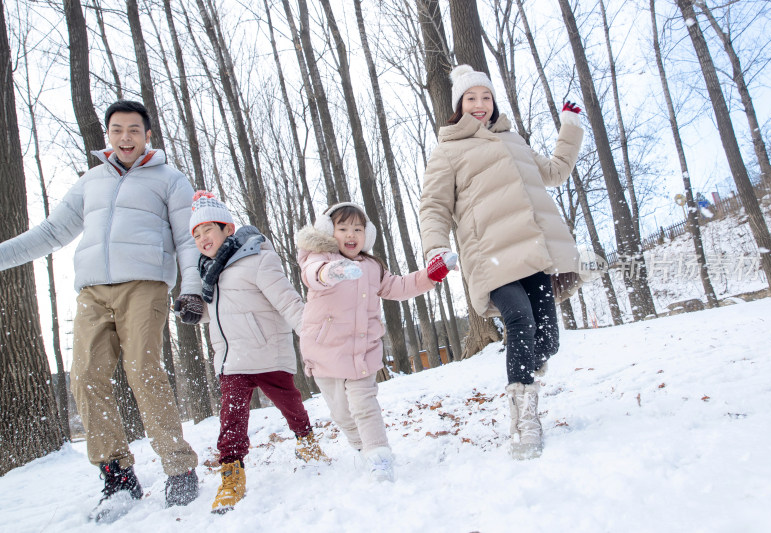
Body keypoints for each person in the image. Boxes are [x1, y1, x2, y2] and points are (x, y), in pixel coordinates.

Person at [0, 101, 202, 518]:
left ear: (148, 135)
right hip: (92, 291)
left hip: (144, 285)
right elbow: (52, 232)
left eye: (133, 129)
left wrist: (193, 289)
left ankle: (179, 467)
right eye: (117, 130)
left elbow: (188, 238)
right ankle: (117, 473)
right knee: (86, 377)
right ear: (107, 135)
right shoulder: (91, 182)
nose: (125, 137)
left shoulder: (169, 179)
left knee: (143, 369)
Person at [418, 65, 585, 460]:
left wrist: (571, 127)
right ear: (459, 106)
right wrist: (435, 249)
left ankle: (527, 366)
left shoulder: (514, 140)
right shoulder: (448, 152)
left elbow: (556, 173)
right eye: (471, 98)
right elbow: (434, 207)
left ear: (494, 104)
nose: (479, 104)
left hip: (532, 252)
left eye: (486, 98)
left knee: (548, 340)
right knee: (519, 321)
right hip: (489, 254)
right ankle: (524, 419)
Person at [186, 191, 328, 514]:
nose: (202, 238)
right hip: (232, 360)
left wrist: (312, 336)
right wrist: (194, 309)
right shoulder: (208, 273)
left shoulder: (258, 258)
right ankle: (232, 474)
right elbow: (216, 312)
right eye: (196, 234)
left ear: (228, 228)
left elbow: (287, 300)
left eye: (208, 229)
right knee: (231, 418)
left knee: (290, 402)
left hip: (266, 352)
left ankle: (305, 439)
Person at [296, 203, 456, 482]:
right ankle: (362, 448)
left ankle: (379, 456)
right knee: (342, 413)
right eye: (343, 228)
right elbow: (313, 275)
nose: (351, 234)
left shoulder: (372, 267)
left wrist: (431, 275)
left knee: (364, 405)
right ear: (328, 231)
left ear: (366, 235)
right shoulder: (317, 258)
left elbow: (399, 287)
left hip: (362, 352)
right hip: (325, 352)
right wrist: (332, 272)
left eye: (358, 229)